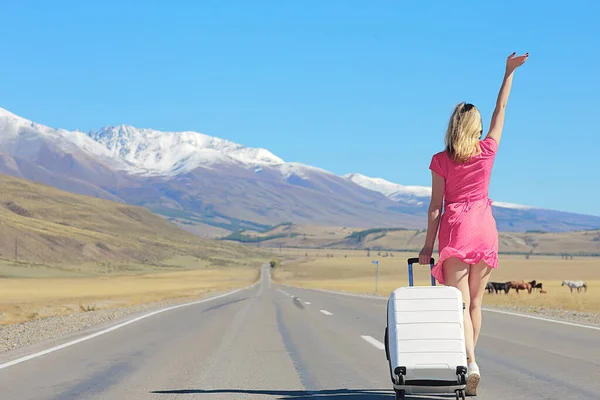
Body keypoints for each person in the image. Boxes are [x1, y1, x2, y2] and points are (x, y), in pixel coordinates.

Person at [418, 52, 529, 396]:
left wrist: (426, 247)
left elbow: (436, 208)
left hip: (456, 230)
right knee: (476, 305)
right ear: (476, 128)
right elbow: (501, 111)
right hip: (484, 229)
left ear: (453, 127)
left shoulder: (441, 160)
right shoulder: (487, 150)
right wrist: (508, 74)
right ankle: (469, 364)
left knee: (458, 305)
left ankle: (469, 361)